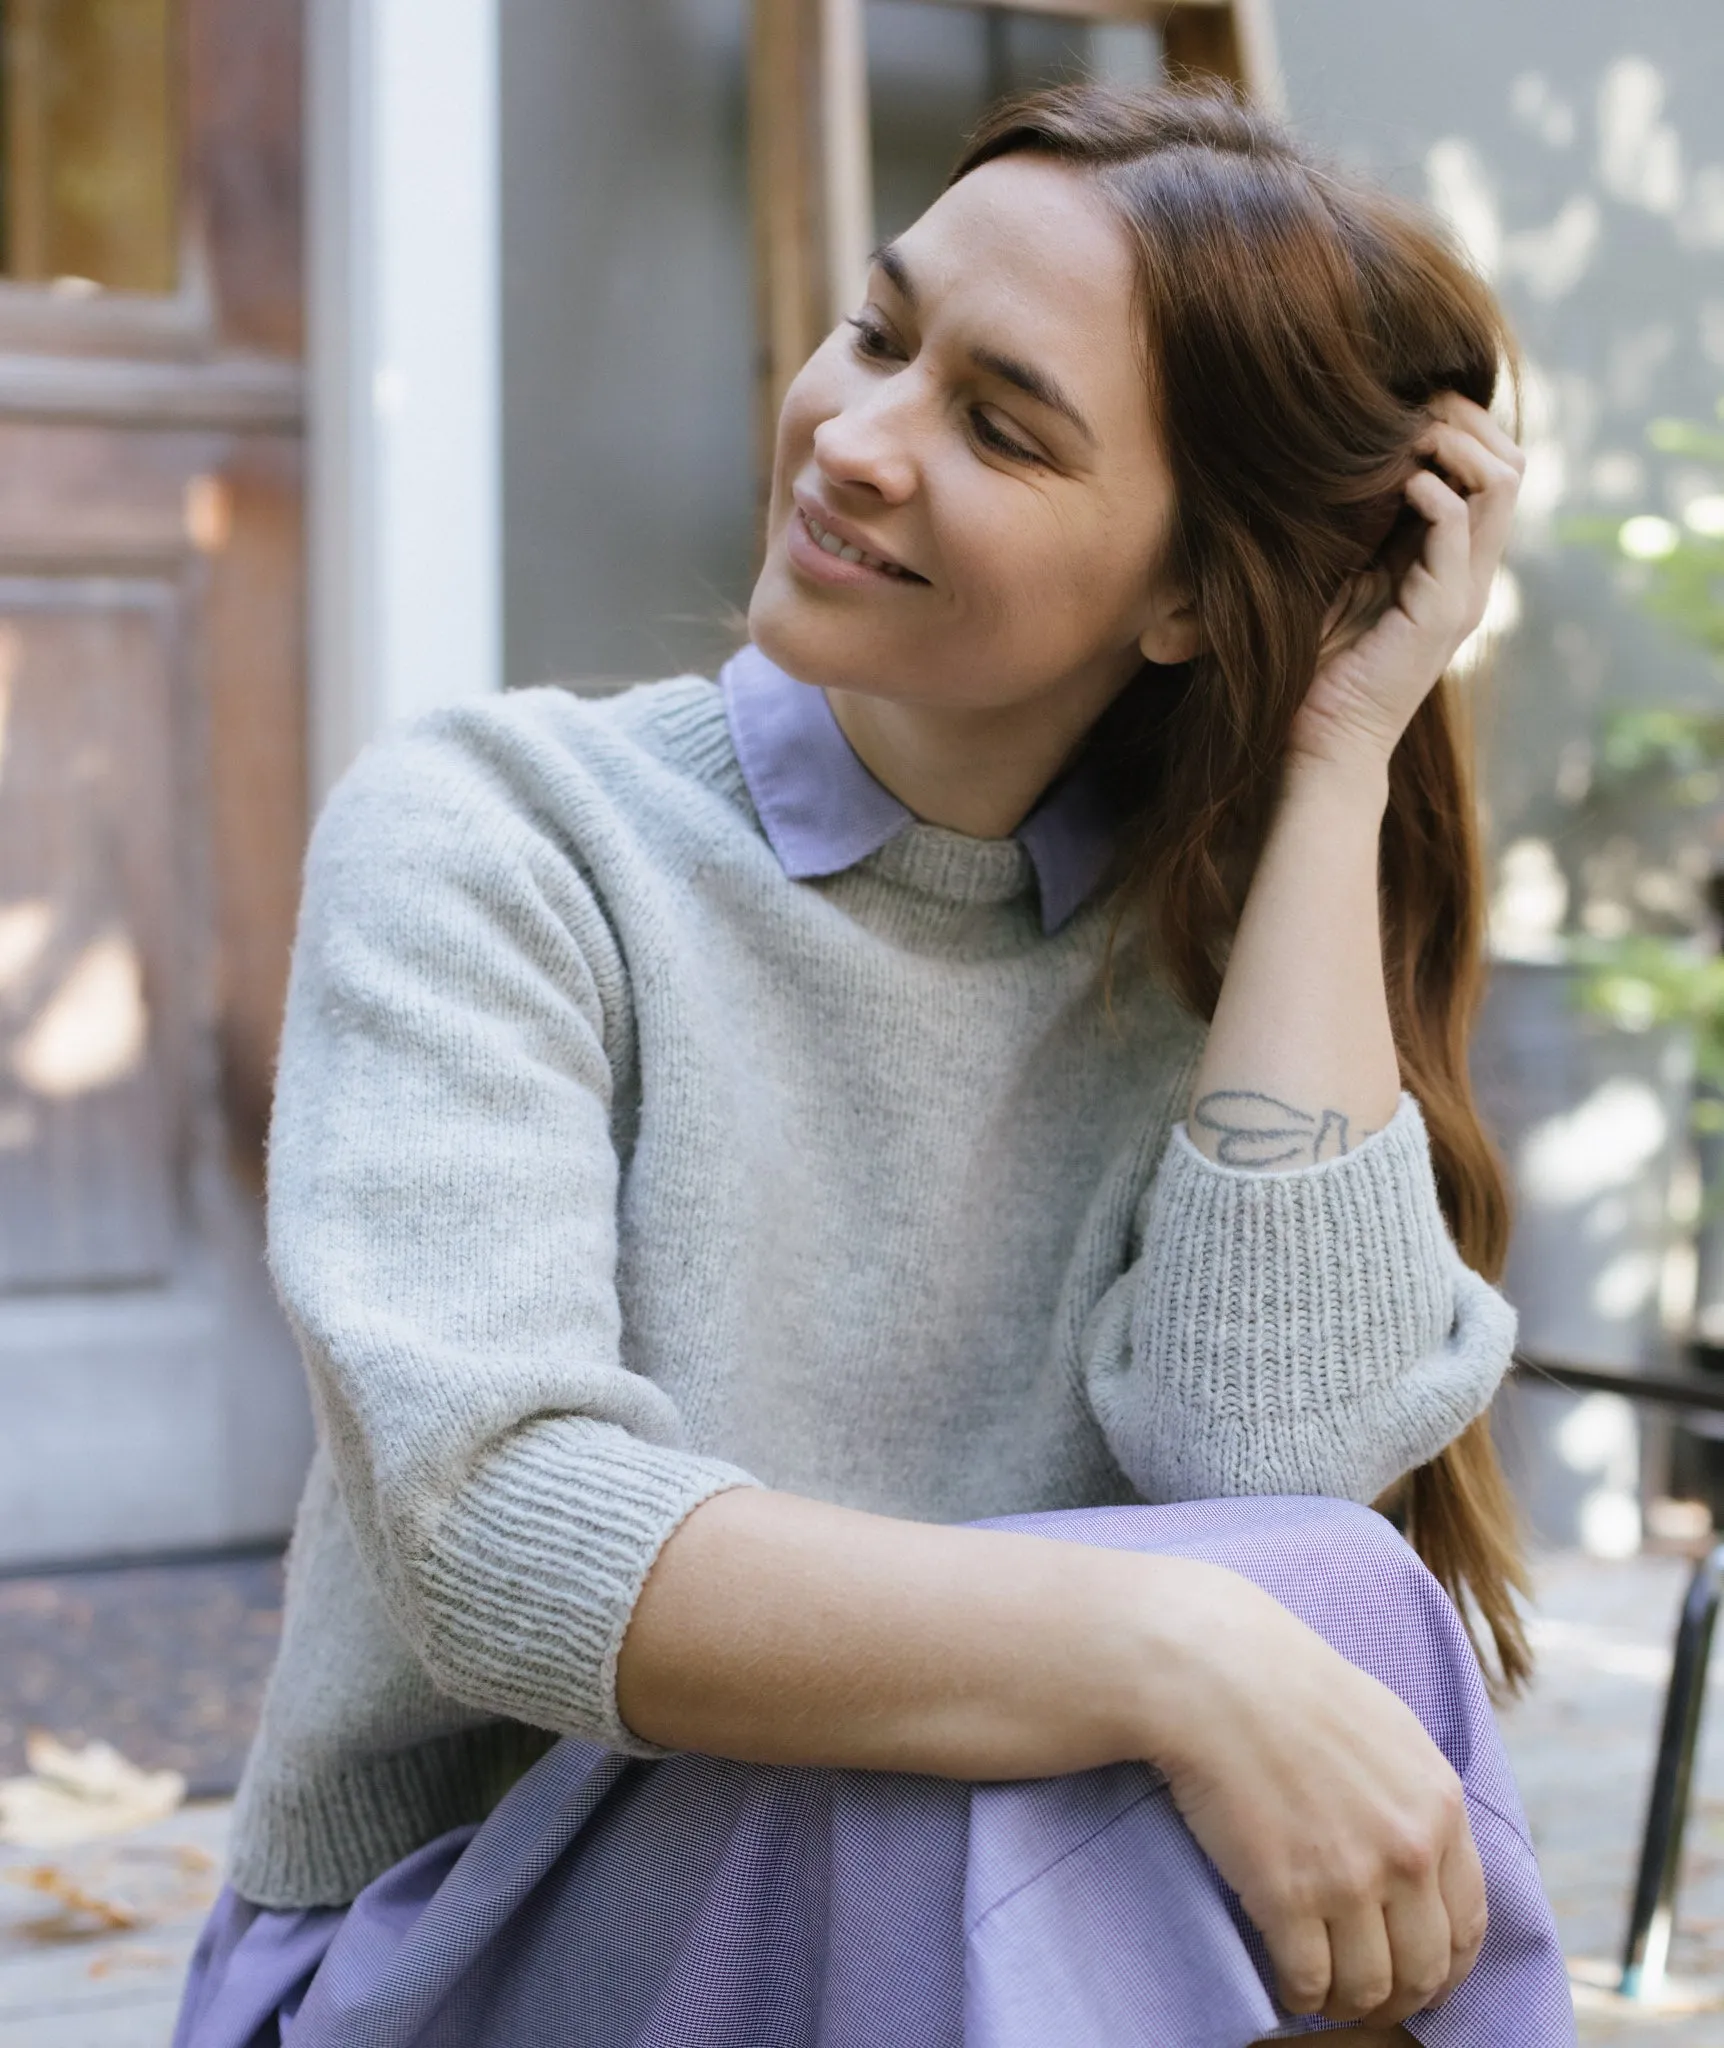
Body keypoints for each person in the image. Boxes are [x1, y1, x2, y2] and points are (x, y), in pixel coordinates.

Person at [174, 83, 1575, 2048]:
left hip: (952, 1916)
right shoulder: (502, 836)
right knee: (1113, 1695)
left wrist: (1339, 756)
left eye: (998, 423)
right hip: (473, 1947)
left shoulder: (1214, 961)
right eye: (878, 333)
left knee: (1318, 1584)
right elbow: (498, 1537)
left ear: (1188, 596)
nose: (853, 437)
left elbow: (1268, 1462)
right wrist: (1153, 1646)